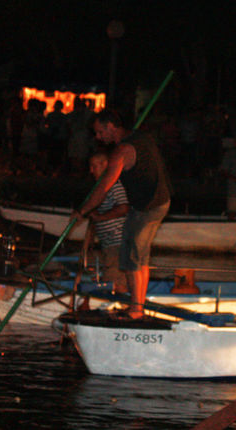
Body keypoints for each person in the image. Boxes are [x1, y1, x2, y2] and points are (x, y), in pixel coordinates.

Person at [73, 109, 171, 320]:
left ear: (111, 127)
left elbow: (103, 188)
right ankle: (138, 305)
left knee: (131, 257)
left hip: (147, 206)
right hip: (159, 201)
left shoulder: (121, 151)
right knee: (139, 257)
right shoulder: (140, 136)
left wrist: (82, 211)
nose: (98, 137)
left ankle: (136, 308)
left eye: (100, 132)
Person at [87, 151, 129, 293]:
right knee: (111, 277)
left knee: (115, 282)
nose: (91, 171)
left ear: (105, 165)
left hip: (117, 242)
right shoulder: (99, 188)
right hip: (108, 244)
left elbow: (123, 207)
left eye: (94, 166)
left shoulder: (113, 185)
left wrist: (101, 217)